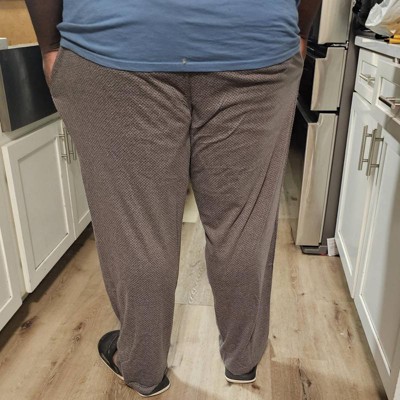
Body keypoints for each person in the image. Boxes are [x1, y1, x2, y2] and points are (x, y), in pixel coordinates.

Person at [25, 0, 321, 397]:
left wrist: (49, 46)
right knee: (242, 222)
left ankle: (143, 368)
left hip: (115, 40)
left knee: (136, 229)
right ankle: (243, 359)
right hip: (256, 42)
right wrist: (296, 31)